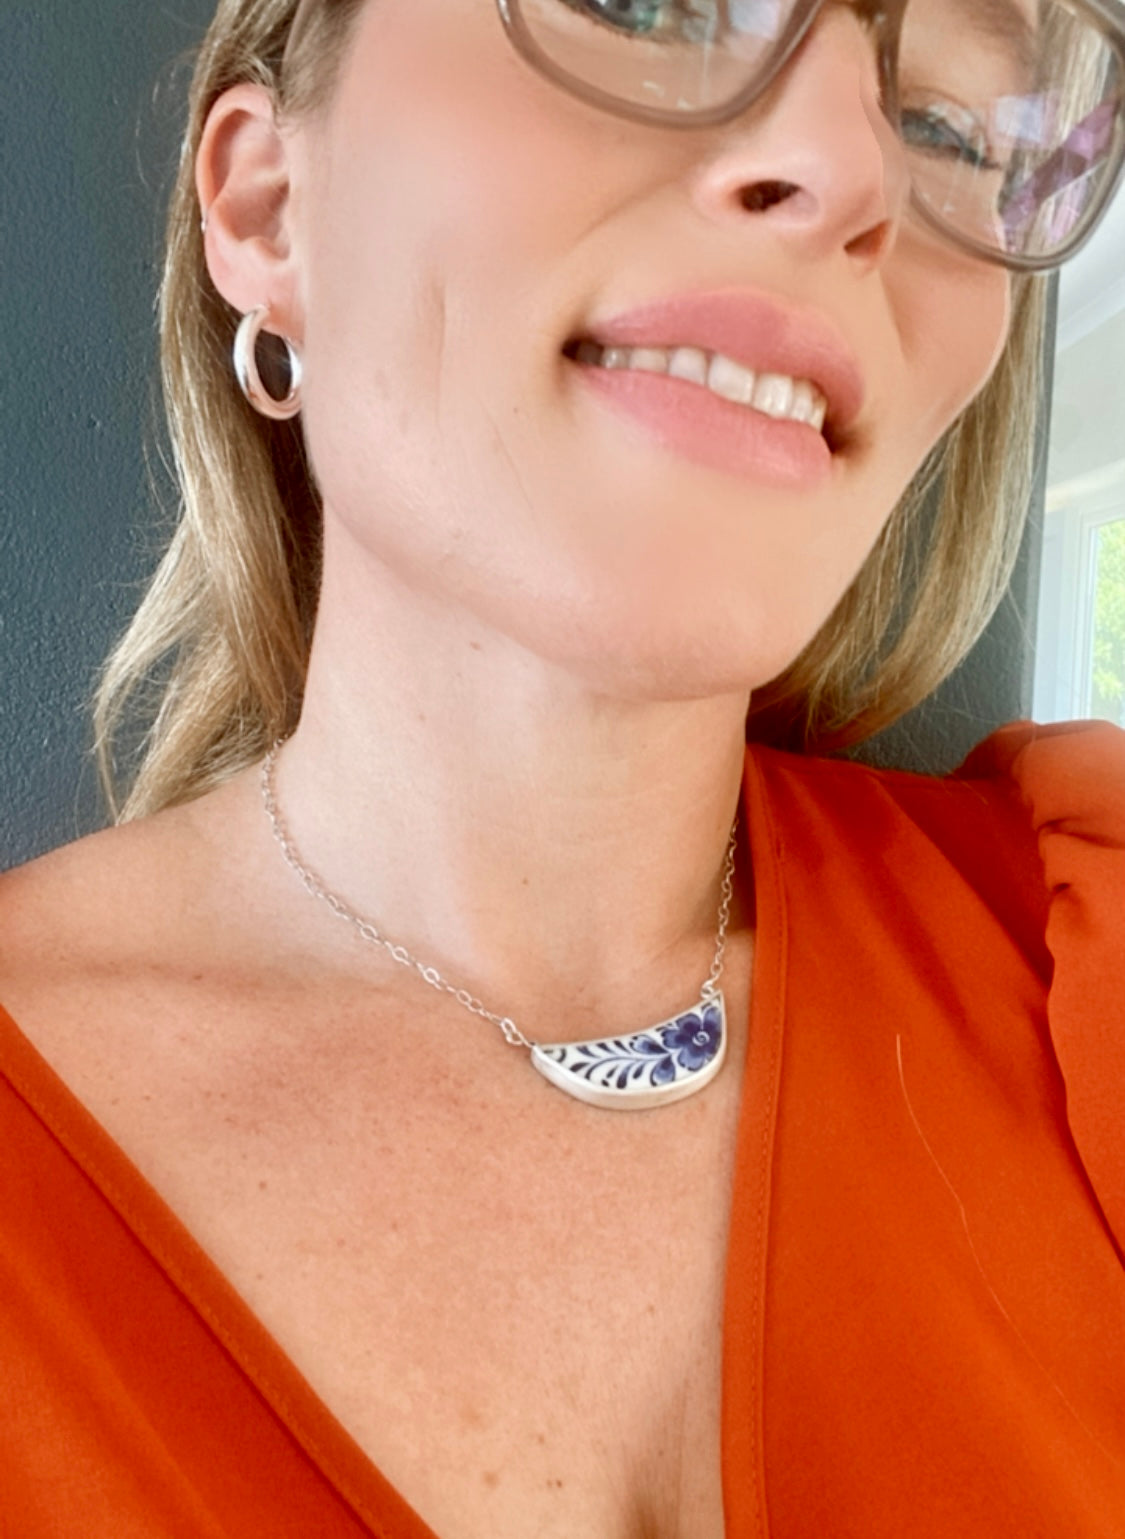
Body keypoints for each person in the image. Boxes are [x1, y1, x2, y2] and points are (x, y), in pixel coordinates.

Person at [1, 0, 1123, 1533]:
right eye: (654, 5)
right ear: (269, 207)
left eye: (941, 122)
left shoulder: (1089, 952)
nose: (842, 167)